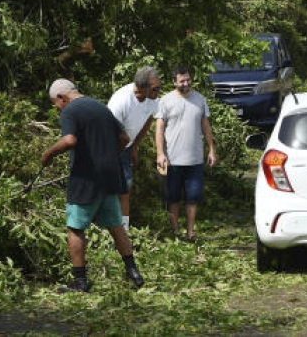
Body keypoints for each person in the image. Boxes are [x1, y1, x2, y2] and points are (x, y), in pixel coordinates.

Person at [41, 78, 144, 292]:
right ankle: (133, 271)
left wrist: (48, 153)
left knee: (75, 228)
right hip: (110, 176)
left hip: (86, 177)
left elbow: (69, 140)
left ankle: (80, 281)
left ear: (62, 97)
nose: (57, 108)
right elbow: (124, 137)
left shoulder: (70, 111)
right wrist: (109, 154)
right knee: (116, 225)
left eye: (56, 104)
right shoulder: (101, 107)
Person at [154, 64, 217, 241]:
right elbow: (159, 129)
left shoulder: (200, 99)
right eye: (182, 81)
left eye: (188, 79)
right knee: (172, 198)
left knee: (193, 198)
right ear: (174, 82)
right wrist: (160, 153)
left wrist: (211, 149)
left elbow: (206, 125)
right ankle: (175, 233)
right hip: (172, 160)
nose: (186, 83)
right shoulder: (165, 101)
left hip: (195, 159)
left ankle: (190, 233)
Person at [107, 66, 162, 231]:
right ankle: (104, 230)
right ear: (142, 87)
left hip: (126, 149)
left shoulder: (152, 99)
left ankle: (124, 230)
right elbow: (110, 131)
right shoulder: (121, 100)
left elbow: (147, 121)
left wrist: (134, 147)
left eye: (160, 87)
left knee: (126, 189)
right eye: (155, 88)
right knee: (108, 191)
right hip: (109, 148)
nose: (159, 91)